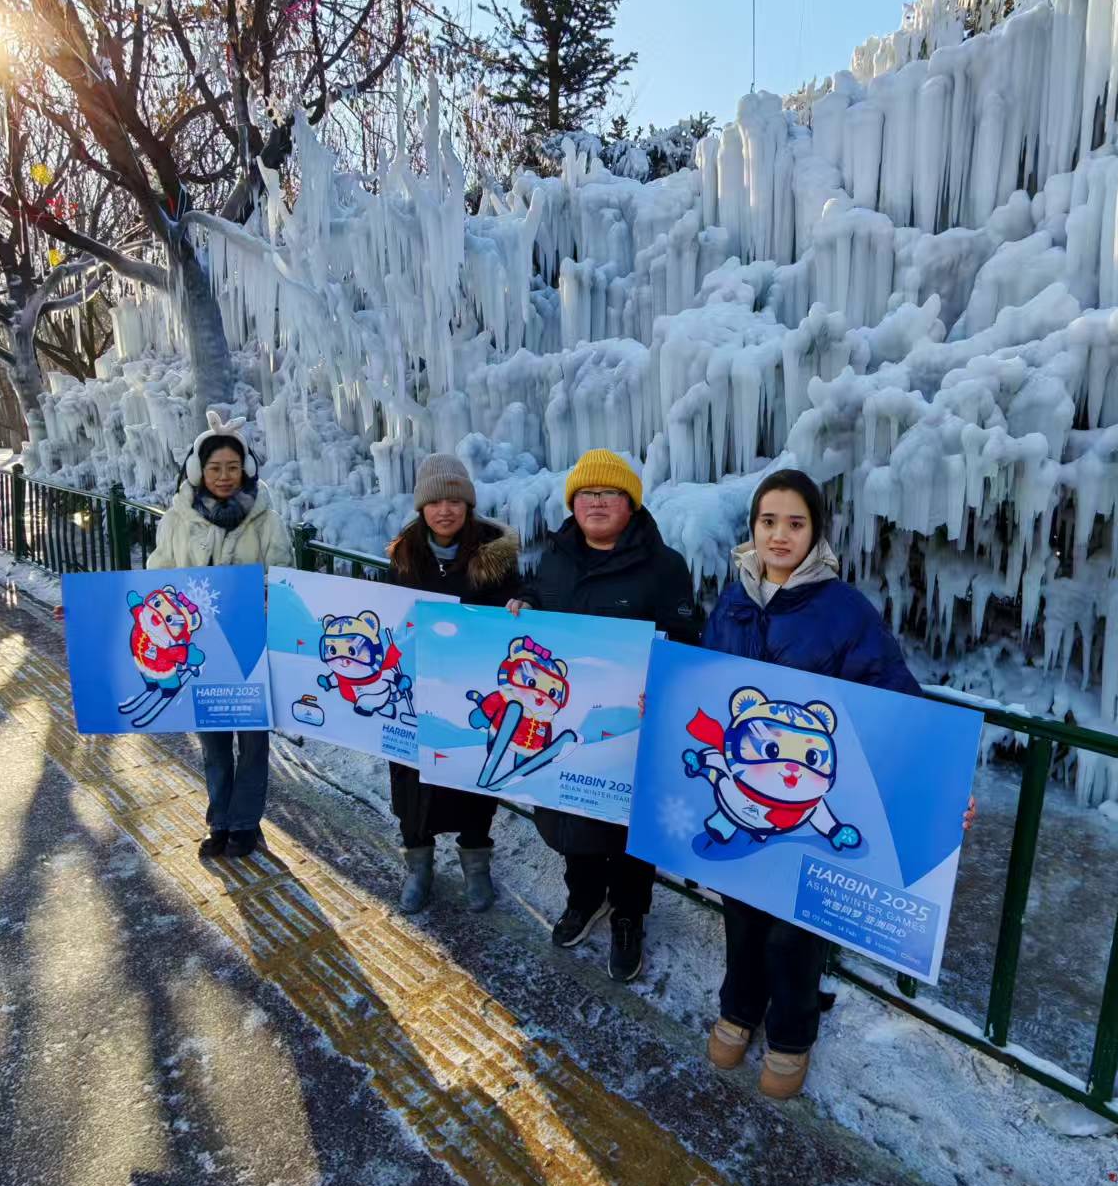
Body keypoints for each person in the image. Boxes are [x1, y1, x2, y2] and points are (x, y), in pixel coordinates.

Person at [697, 467, 973, 1100]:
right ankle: (739, 1010)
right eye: (769, 522)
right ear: (754, 528)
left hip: (812, 801)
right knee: (740, 911)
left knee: (796, 928)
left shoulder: (845, 611)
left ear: (815, 531)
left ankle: (792, 1037)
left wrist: (940, 782)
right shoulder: (733, 599)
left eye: (796, 523)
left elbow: (895, 695)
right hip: (744, 801)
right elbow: (708, 682)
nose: (780, 535)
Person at [509, 449, 702, 983]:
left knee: (628, 824)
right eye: (586, 494)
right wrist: (523, 602)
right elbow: (541, 602)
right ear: (573, 503)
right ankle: (586, 897)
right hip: (570, 722)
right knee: (572, 811)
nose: (596, 502)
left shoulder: (664, 566)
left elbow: (686, 640)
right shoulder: (558, 554)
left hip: (633, 727)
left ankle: (629, 915)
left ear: (630, 504)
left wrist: (663, 687)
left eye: (609, 493)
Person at [147, 410, 293, 861]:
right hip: (198, 649)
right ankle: (220, 820)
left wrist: (267, 597)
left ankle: (246, 823)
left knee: (251, 741)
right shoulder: (177, 520)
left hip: (250, 646)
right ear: (198, 471)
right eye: (214, 468)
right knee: (212, 743)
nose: (224, 476)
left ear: (245, 469)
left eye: (232, 467)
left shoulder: (265, 521)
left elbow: (285, 575)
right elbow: (157, 579)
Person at [385, 453, 521, 914]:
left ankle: (475, 865)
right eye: (435, 501)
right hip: (415, 692)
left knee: (472, 778)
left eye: (455, 500)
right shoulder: (405, 554)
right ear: (422, 508)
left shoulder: (495, 558)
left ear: (468, 505)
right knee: (411, 780)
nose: (445, 510)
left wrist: (524, 604)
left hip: (471, 692)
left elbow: (523, 608)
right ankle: (418, 866)